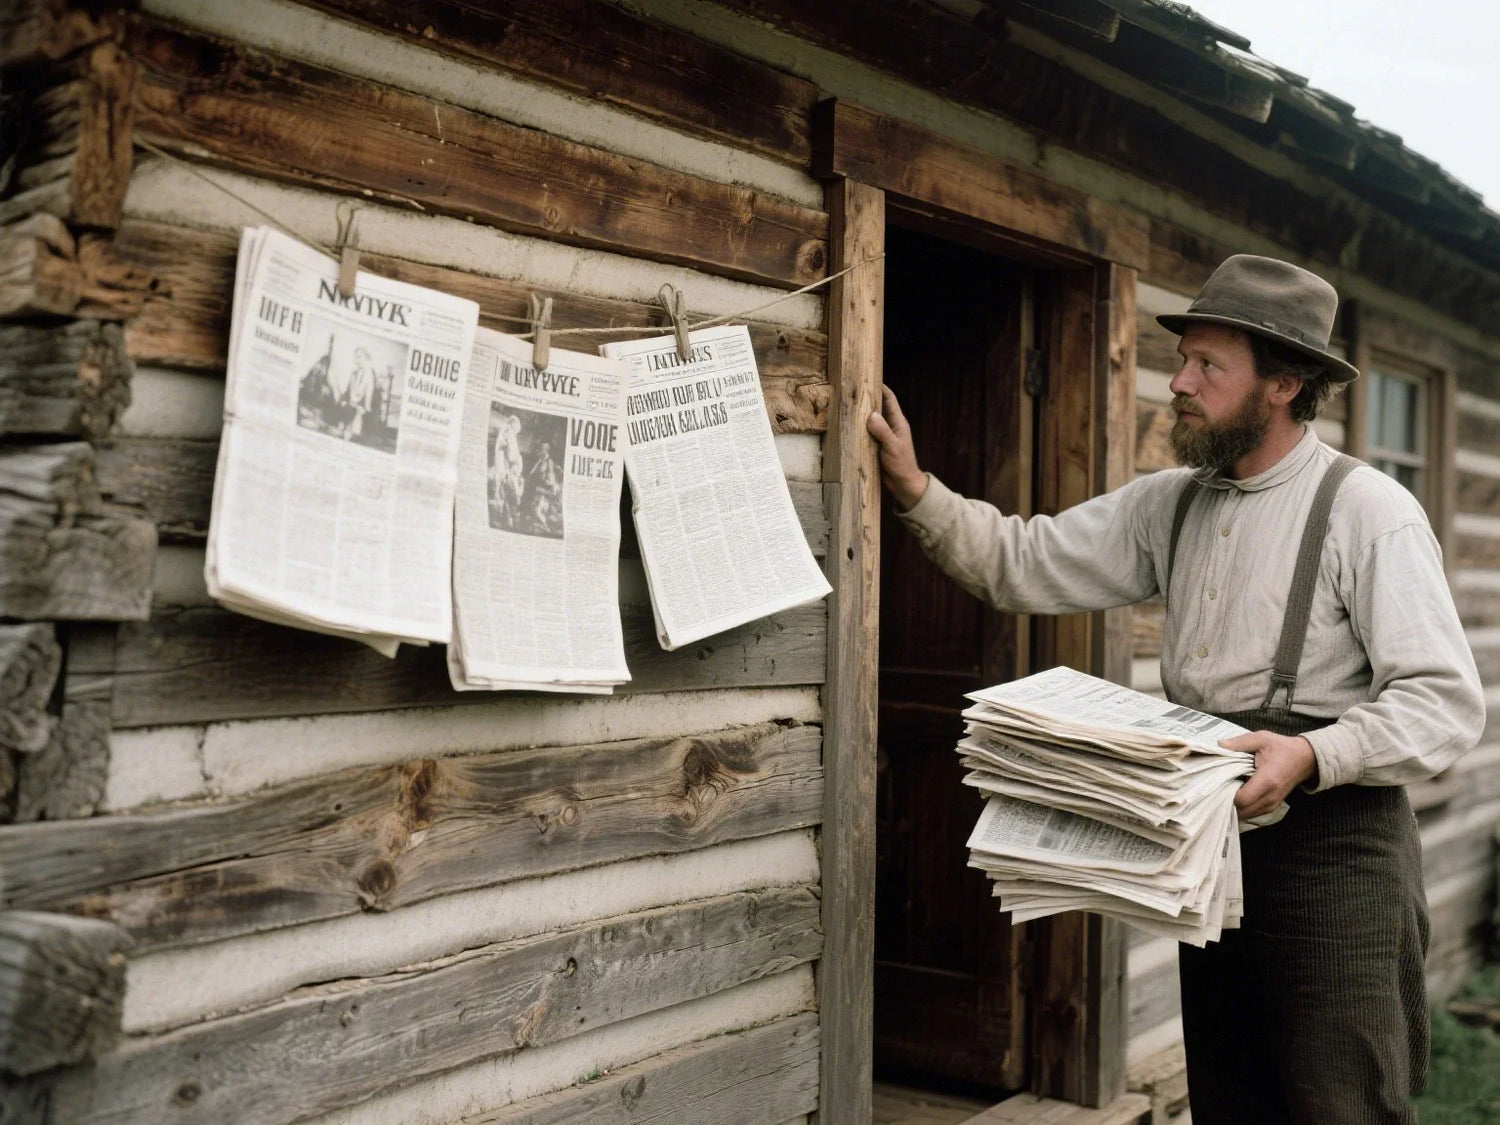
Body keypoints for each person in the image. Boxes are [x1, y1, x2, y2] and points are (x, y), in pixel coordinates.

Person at [867, 254, 1484, 1124]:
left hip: (1338, 853)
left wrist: (1313, 752)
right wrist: (915, 489)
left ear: (1284, 384)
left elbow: (1445, 702)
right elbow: (1022, 560)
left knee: (1340, 1102)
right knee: (1230, 1096)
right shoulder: (1170, 503)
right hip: (1212, 845)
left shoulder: (1368, 511)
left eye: (1208, 366)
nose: (1180, 383)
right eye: (1182, 359)